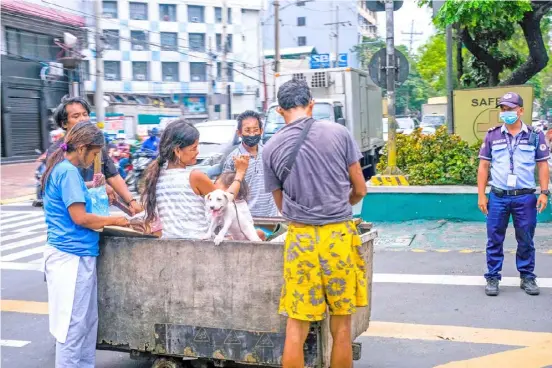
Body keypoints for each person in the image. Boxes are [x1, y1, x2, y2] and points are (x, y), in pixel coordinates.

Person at [262, 79, 368, 368]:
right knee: (342, 327)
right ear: (311, 104)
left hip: (301, 241)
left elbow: (282, 206)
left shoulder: (270, 148)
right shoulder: (339, 133)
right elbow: (360, 189)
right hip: (338, 237)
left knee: (296, 329)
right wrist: (338, 203)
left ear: (280, 110)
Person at [41, 122, 129, 367]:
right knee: (73, 327)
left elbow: (69, 197)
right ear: (81, 148)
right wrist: (118, 219)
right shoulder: (68, 171)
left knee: (86, 324)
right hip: (71, 258)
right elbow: (80, 218)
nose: (94, 159)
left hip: (77, 255)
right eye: (93, 153)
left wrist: (92, 186)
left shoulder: (63, 169)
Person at [478, 92, 550, 297]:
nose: (506, 113)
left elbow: (543, 165)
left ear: (521, 110)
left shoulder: (535, 135)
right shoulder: (493, 134)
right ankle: (492, 276)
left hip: (525, 197)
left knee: (526, 238)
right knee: (494, 238)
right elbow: (484, 166)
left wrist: (544, 192)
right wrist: (481, 195)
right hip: (498, 196)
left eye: (510, 109)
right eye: (503, 109)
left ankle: (527, 276)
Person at [141, 119, 249, 239]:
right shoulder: (195, 177)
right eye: (193, 148)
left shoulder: (155, 177)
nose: (197, 152)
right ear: (177, 151)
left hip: (169, 244)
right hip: (198, 245)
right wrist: (240, 173)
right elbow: (226, 199)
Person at [49, 97, 142, 215]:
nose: (83, 119)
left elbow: (113, 176)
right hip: (70, 219)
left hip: (97, 216)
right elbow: (59, 188)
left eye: (85, 114)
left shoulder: (96, 147)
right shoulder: (56, 152)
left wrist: (131, 202)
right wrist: (98, 187)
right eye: (76, 116)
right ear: (64, 123)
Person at [223, 110, 279, 218]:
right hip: (244, 220)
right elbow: (226, 190)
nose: (252, 134)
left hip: (271, 218)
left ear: (261, 131)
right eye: (247, 130)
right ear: (239, 133)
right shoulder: (233, 158)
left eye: (255, 130)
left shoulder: (269, 154)